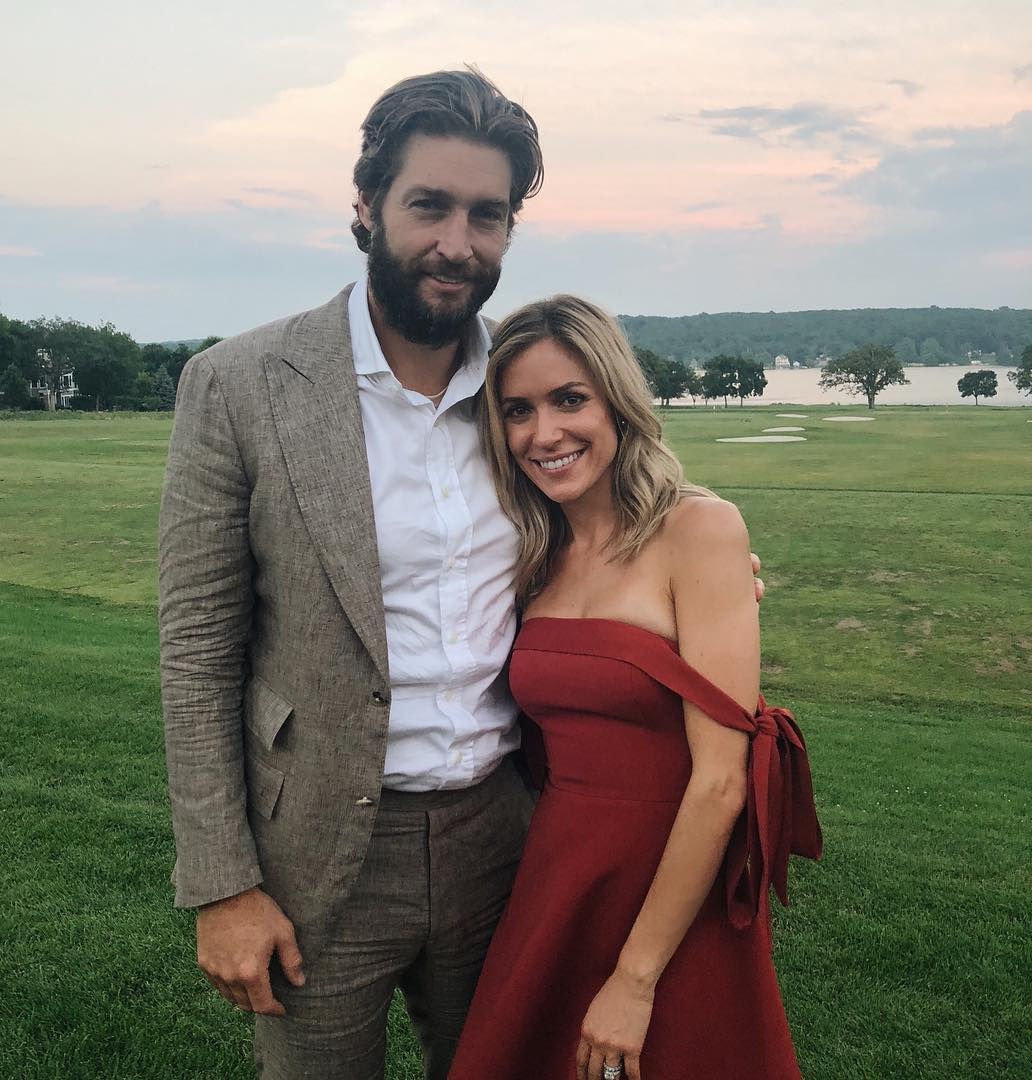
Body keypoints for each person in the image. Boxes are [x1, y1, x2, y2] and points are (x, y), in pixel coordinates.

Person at [159, 69, 765, 1079]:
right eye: (429, 205)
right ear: (366, 206)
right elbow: (195, 651)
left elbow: (613, 536)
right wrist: (221, 883)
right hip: (317, 848)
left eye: (487, 215)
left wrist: (709, 580)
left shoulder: (518, 393)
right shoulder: (239, 385)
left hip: (509, 835)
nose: (457, 241)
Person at [448, 296, 822, 1080]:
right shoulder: (530, 549)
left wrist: (635, 978)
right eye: (518, 410)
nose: (544, 434)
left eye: (569, 399)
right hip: (558, 878)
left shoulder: (700, 530)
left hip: (673, 887)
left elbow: (721, 783)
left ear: (617, 400)